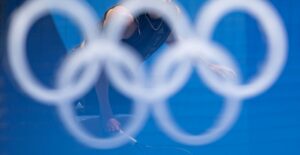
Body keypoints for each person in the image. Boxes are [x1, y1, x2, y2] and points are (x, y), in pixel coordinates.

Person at [80, 0, 236, 134]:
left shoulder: (170, 14)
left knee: (126, 127)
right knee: (95, 131)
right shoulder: (124, 19)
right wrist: (106, 113)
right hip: (85, 79)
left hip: (118, 81)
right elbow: (99, 63)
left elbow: (178, 45)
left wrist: (210, 66)